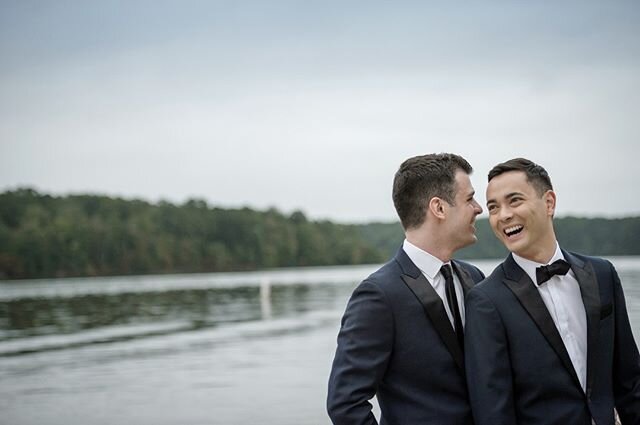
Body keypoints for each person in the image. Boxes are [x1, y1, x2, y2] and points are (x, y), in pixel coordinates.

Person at [465, 158, 640, 425]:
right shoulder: (486, 300)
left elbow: (630, 381)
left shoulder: (602, 274)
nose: (503, 215)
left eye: (514, 201)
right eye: (493, 207)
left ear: (549, 203)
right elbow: (493, 412)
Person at [327, 153, 485, 424]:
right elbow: (346, 403)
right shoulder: (379, 295)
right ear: (439, 208)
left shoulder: (474, 277)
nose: (479, 208)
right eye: (469, 198)